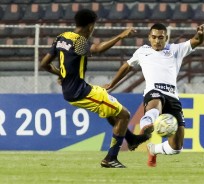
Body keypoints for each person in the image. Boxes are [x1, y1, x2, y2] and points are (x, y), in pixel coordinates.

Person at [40, 9, 150, 168]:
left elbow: (44, 64)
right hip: (79, 92)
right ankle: (110, 158)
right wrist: (121, 35)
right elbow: (98, 49)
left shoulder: (61, 38)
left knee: (109, 107)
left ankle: (131, 139)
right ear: (90, 26)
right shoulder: (79, 41)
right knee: (124, 115)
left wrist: (62, 75)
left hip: (76, 88)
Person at [104, 23, 204, 167]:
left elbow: (196, 41)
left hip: (172, 97)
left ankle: (154, 149)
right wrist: (112, 84)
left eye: (161, 38)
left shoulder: (175, 49)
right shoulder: (142, 51)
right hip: (153, 92)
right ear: (149, 38)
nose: (157, 41)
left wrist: (200, 35)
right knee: (155, 103)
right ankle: (146, 124)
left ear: (166, 38)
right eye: (154, 37)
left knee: (176, 148)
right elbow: (127, 66)